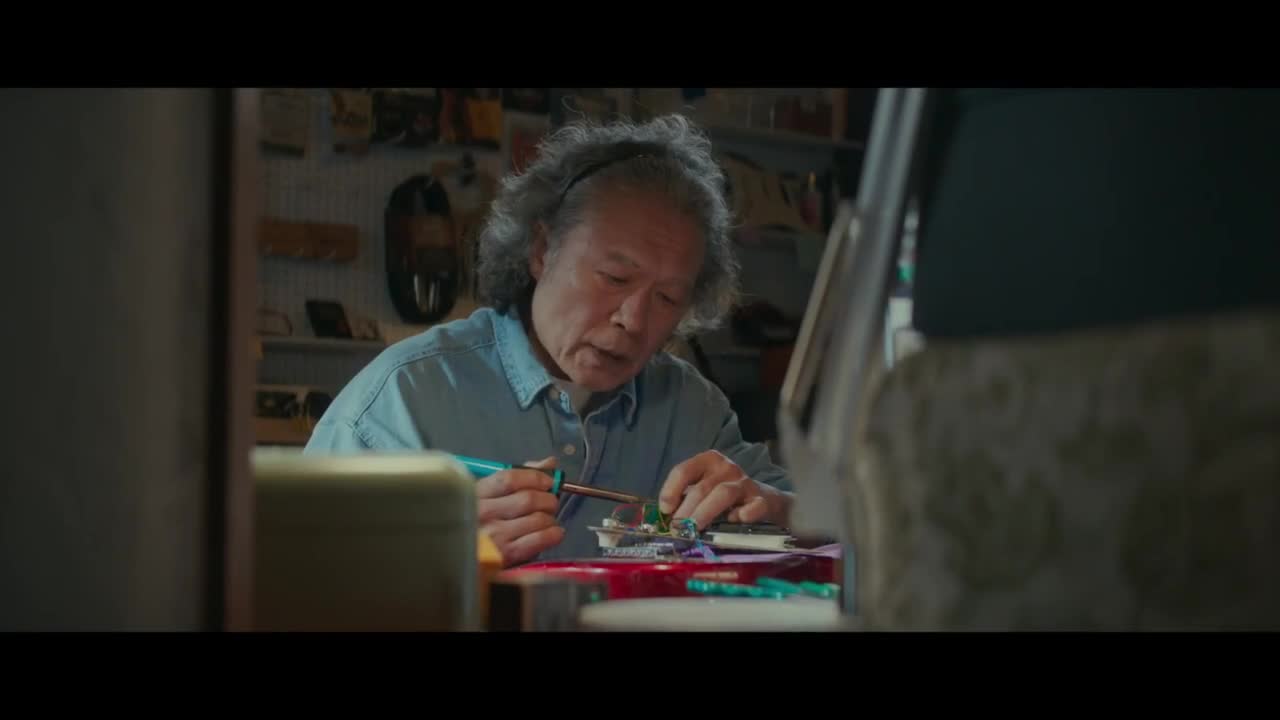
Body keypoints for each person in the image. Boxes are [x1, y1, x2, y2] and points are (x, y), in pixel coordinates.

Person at [304, 114, 794, 566]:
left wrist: (769, 506)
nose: (633, 320)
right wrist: (438, 559)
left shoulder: (689, 408)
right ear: (542, 251)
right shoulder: (403, 400)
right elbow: (291, 584)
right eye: (614, 277)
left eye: (667, 298)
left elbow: (817, 522)